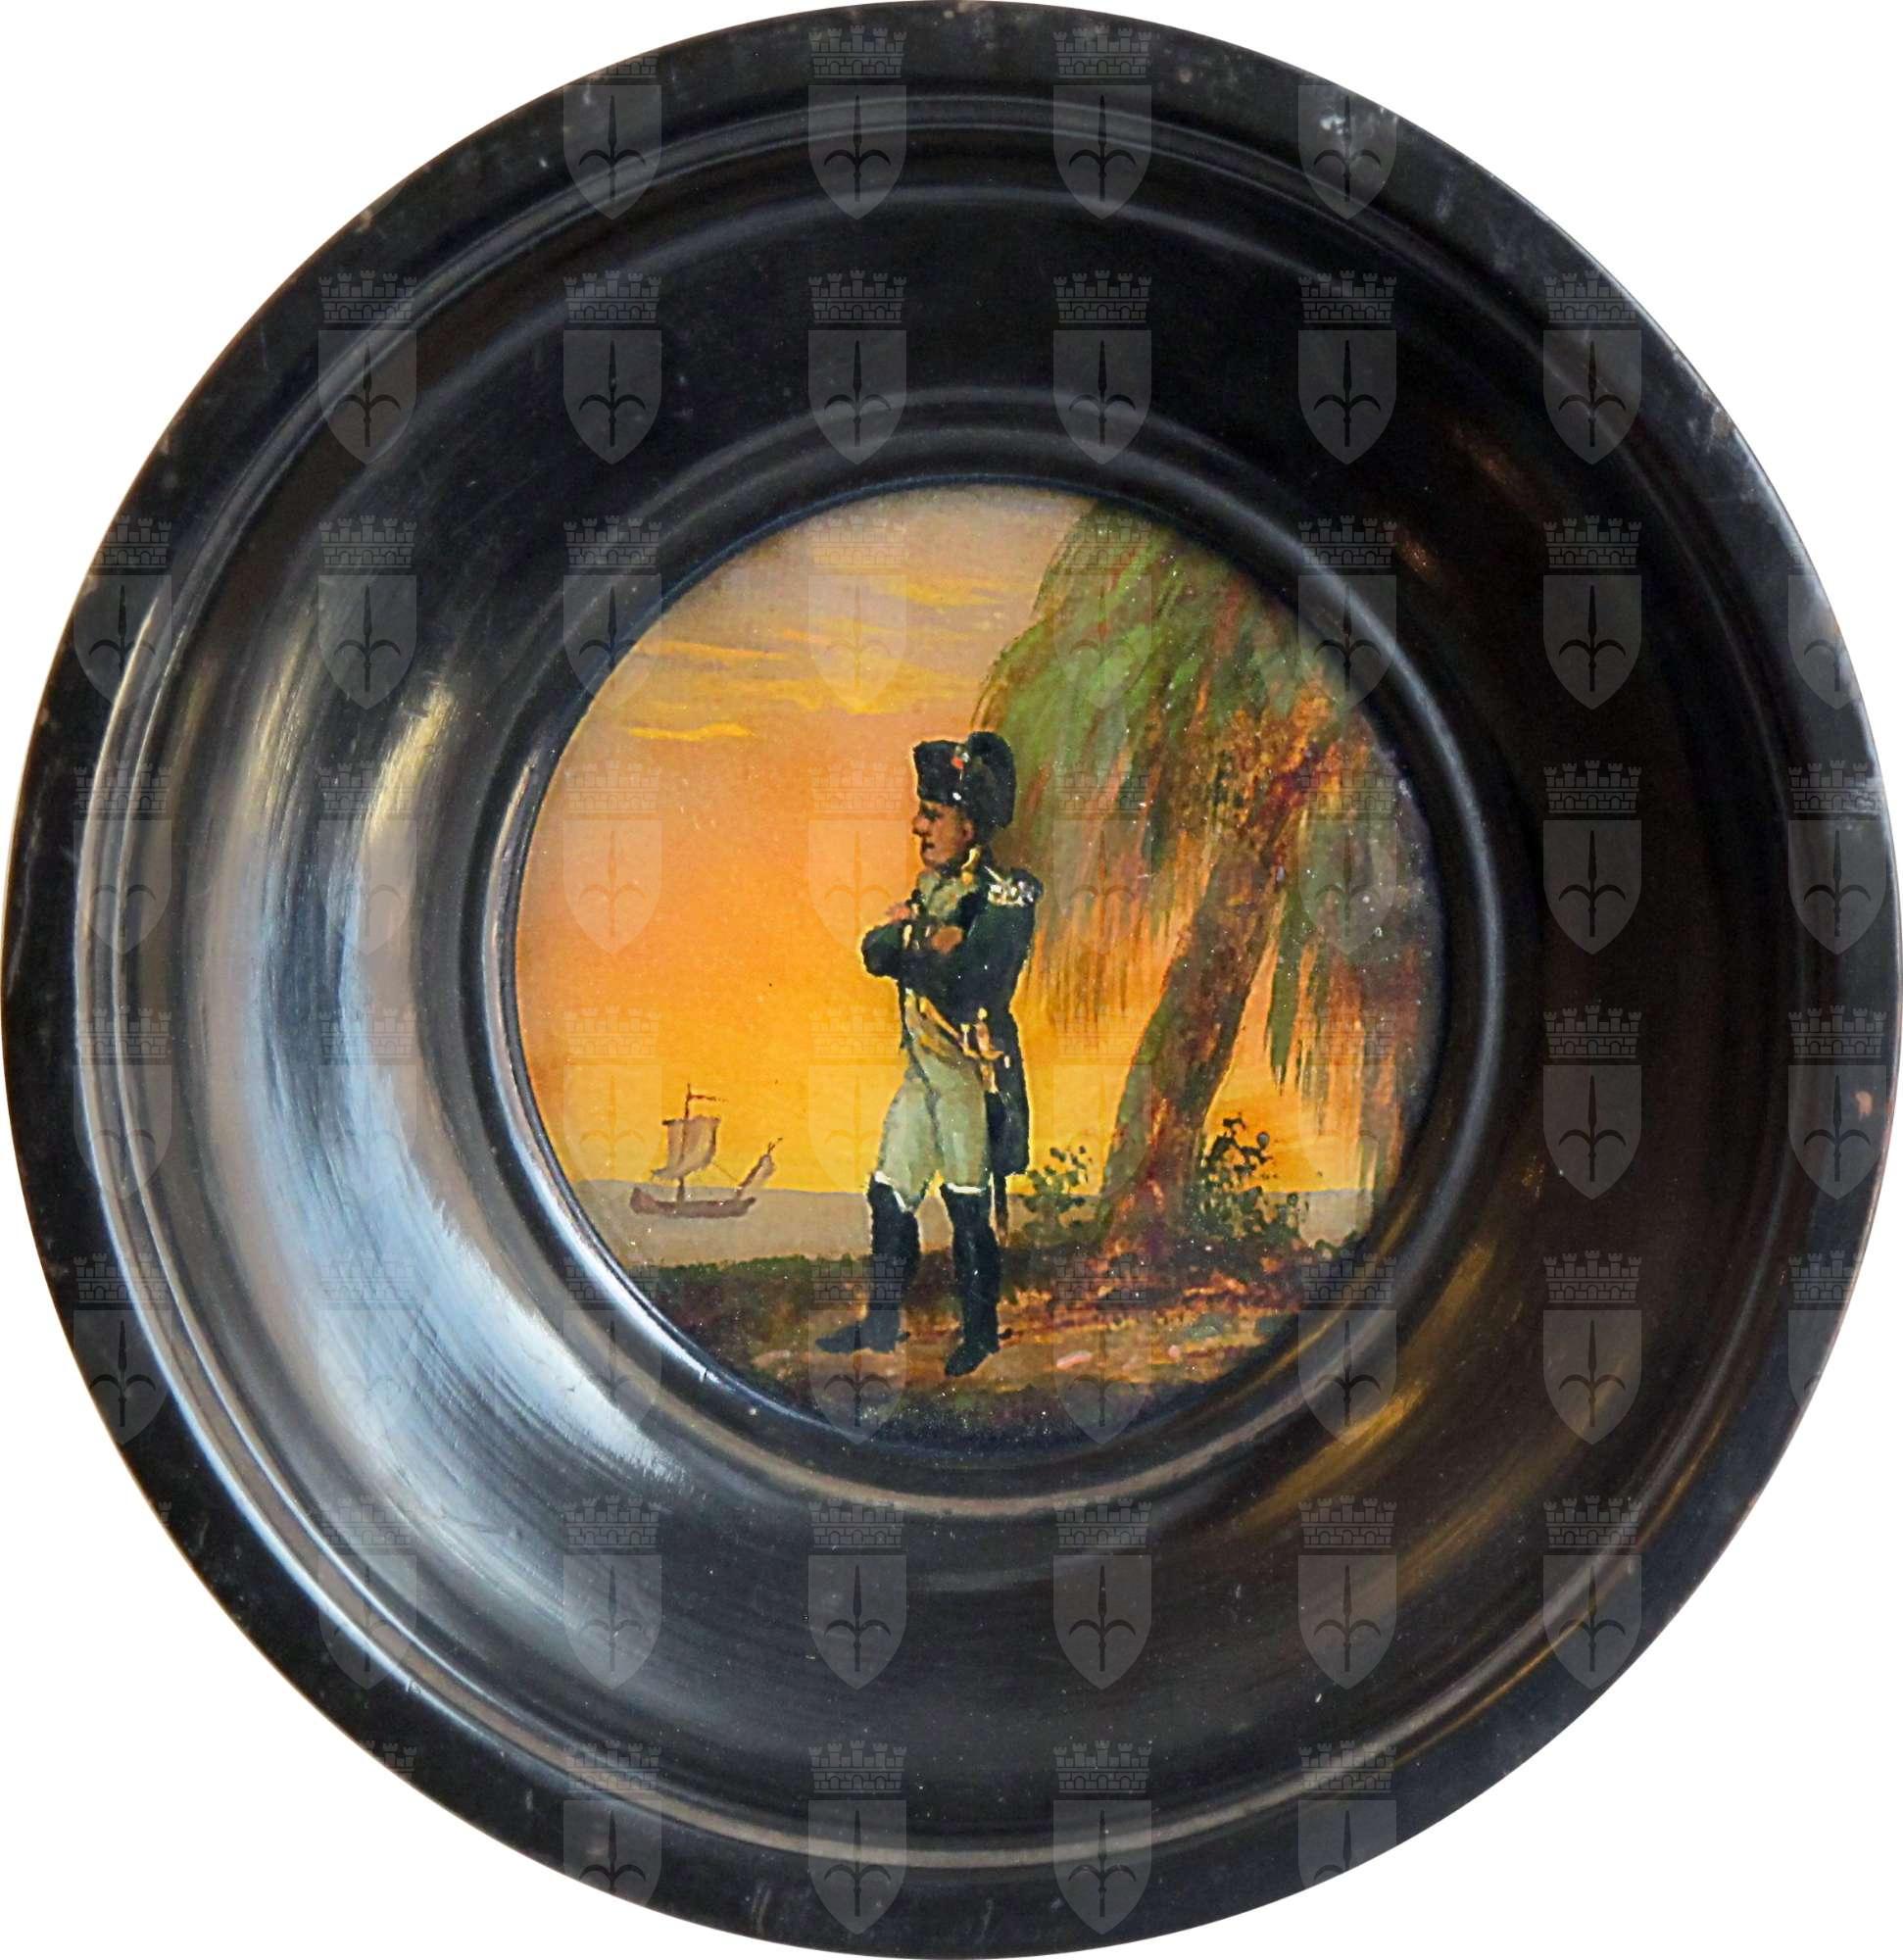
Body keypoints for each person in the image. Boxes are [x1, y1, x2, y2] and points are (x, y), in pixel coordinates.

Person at [816, 732, 1040, 1377]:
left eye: (933, 814)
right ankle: (883, 1323)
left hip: (970, 1074)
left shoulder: (1008, 894)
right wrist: (926, 938)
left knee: (968, 1203)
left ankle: (980, 1334)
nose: (918, 827)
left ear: (970, 824)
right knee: (888, 1191)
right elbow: (874, 952)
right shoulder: (933, 889)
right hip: (926, 1072)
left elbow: (976, 979)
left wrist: (914, 940)